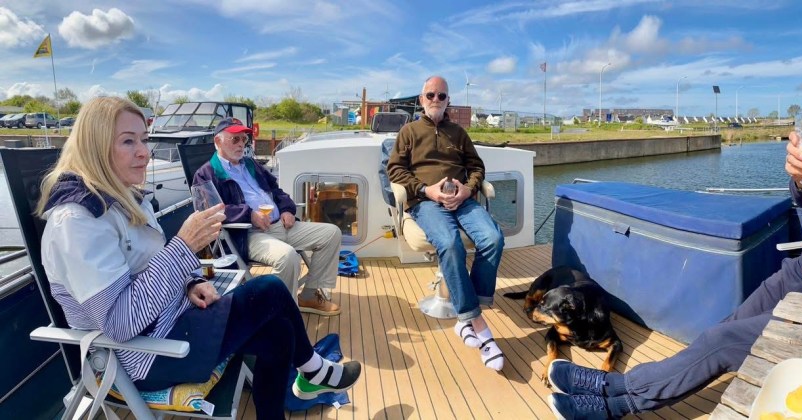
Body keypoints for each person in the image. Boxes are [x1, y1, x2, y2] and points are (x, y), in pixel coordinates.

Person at [546, 109, 802, 418]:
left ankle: (616, 399)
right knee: (720, 330)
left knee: (723, 343)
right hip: (798, 276)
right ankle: (616, 390)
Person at [36, 97, 361, 419]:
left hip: (174, 320)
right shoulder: (78, 223)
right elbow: (120, 324)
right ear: (95, 147)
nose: (144, 152)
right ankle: (314, 371)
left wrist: (190, 283)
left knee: (279, 333)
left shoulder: (123, 198)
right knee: (269, 290)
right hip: (145, 355)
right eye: (128, 141)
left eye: (144, 139)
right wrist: (184, 245)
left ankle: (302, 382)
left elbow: (148, 265)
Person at [387, 75, 507, 371]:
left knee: (493, 238)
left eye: (441, 96)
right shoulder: (409, 132)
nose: (436, 100)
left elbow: (476, 167)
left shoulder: (459, 132)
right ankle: (476, 323)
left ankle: (469, 310)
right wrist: (425, 190)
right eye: (431, 95)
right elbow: (395, 170)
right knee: (451, 244)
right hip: (426, 202)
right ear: (421, 99)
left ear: (448, 100)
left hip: (462, 199)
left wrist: (468, 189)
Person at [193, 117, 343, 315]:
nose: (241, 144)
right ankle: (279, 315)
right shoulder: (206, 173)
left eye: (244, 139)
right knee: (287, 256)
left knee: (331, 234)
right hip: (248, 234)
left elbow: (275, 189)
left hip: (280, 224)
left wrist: (287, 209)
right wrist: (249, 215)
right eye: (235, 139)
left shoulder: (250, 164)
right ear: (218, 141)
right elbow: (210, 212)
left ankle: (308, 296)